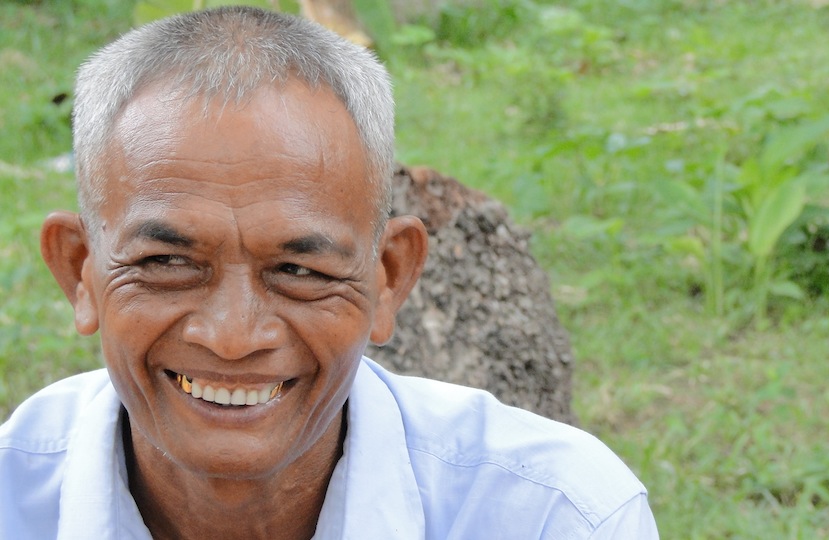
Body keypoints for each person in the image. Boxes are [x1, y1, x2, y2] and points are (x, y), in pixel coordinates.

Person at [0, 6, 659, 539]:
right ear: (79, 269)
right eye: (168, 263)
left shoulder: (551, 516)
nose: (233, 337)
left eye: (299, 269)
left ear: (389, 278)